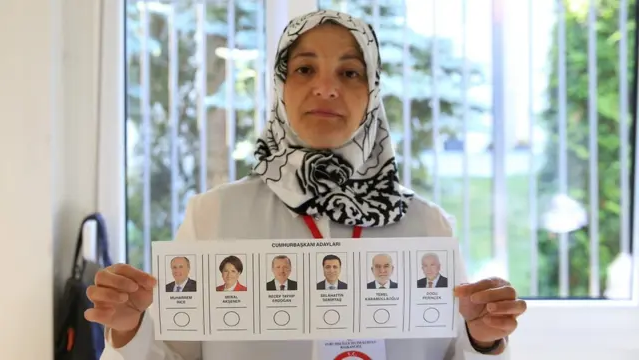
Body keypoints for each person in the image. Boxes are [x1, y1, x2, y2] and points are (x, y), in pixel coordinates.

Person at [86, 10, 526, 360]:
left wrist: (482, 340)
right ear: (280, 87)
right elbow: (170, 355)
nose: (326, 88)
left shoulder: (427, 225)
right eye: (304, 69)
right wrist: (130, 330)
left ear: (372, 92)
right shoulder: (214, 215)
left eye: (350, 73)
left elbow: (458, 354)